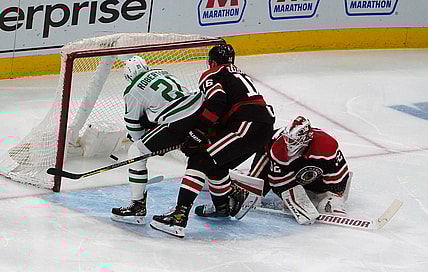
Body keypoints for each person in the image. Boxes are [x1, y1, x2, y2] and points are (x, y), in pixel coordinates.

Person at [150, 44, 276, 238]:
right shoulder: (236, 74)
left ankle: (179, 216)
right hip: (261, 126)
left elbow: (217, 101)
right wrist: (201, 134)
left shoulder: (213, 73)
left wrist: (198, 132)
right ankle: (223, 206)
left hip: (248, 122)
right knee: (216, 165)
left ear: (212, 62)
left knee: (200, 159)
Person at [111, 56, 204, 225]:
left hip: (177, 120)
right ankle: (224, 190)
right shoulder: (162, 72)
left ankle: (137, 207)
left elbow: (133, 126)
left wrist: (147, 146)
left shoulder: (132, 90)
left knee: (136, 151)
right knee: (201, 153)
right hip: (198, 111)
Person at [247, 115, 352, 225]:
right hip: (268, 153)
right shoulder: (278, 148)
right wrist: (293, 200)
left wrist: (336, 194)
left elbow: (338, 171)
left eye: (294, 141)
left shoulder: (325, 145)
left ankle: (314, 191)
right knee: (253, 192)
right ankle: (249, 179)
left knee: (317, 181)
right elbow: (278, 183)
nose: (289, 144)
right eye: (289, 140)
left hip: (308, 158)